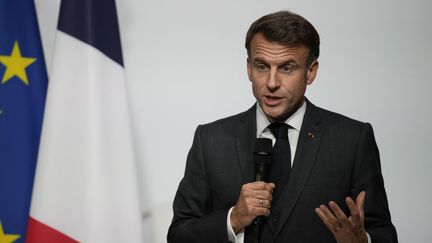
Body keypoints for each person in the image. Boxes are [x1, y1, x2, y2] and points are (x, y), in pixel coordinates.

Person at [167, 10, 397, 243]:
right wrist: (233, 219)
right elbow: (178, 235)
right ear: (249, 68)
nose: (272, 83)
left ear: (311, 72)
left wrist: (363, 241)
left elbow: (383, 233)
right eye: (262, 67)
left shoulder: (352, 140)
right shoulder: (211, 140)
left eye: (287, 68)